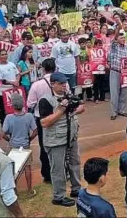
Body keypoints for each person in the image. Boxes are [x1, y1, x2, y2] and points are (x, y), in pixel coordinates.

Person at [39, 72, 85, 207]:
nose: (64, 86)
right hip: (55, 140)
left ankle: (76, 189)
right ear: (52, 84)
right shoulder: (45, 100)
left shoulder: (68, 96)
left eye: (65, 83)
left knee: (75, 163)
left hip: (71, 136)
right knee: (58, 168)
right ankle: (59, 196)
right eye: (60, 83)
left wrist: (73, 110)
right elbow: (44, 123)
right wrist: (61, 110)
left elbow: (82, 107)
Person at [26, 58, 60, 183]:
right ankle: (60, 170)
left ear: (44, 69)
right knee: (59, 143)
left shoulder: (37, 84)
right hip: (58, 115)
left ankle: (47, 174)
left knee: (44, 146)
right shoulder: (61, 82)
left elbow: (30, 103)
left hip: (42, 118)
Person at [3, 93, 37, 197]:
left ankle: (15, 191)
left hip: (14, 145)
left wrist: (10, 140)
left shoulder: (9, 118)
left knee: (13, 168)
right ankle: (29, 190)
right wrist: (29, 139)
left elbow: (3, 133)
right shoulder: (29, 116)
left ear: (12, 105)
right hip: (25, 144)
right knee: (27, 167)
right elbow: (35, 131)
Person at [108, 25, 127, 120]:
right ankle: (114, 112)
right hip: (115, 71)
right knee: (114, 92)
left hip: (124, 72)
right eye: (121, 38)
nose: (123, 39)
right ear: (117, 39)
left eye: (124, 38)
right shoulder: (114, 46)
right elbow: (114, 38)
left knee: (124, 92)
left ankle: (122, 110)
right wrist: (118, 27)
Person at [0, 49, 20, 123]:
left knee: (13, 109)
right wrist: (12, 83)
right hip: (3, 93)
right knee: (4, 111)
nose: (4, 56)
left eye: (5, 54)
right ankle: (4, 126)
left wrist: (17, 81)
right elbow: (0, 81)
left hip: (13, 91)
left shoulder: (12, 64)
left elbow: (17, 74)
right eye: (2, 54)